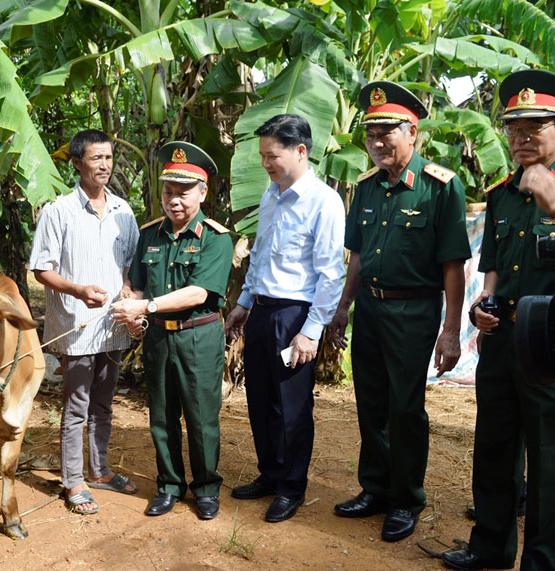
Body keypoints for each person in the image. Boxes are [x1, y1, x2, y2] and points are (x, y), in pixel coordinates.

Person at [442, 69, 555, 571]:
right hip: (502, 342)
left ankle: (542, 562)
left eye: (535, 127)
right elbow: (494, 267)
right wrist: (483, 305)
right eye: (513, 127)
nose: (521, 137)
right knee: (494, 450)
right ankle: (490, 549)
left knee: (552, 463)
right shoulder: (502, 194)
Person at [329, 81, 471, 542]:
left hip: (414, 312)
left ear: (413, 132)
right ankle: (375, 489)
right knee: (370, 401)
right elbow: (358, 257)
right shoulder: (366, 187)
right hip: (369, 307)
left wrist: (451, 330)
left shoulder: (439, 188)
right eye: (371, 134)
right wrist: (343, 309)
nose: (377, 142)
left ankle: (407, 499)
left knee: (406, 408)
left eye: (387, 132)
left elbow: (453, 263)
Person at [224, 114, 346, 523]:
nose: (265, 164)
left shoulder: (324, 201)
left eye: (272, 155)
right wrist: (244, 302)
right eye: (261, 156)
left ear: (300, 151)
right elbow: (259, 255)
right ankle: (270, 474)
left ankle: (292, 488)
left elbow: (331, 273)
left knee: (293, 408)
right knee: (260, 400)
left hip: (296, 317)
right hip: (263, 311)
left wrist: (312, 332)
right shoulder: (271, 196)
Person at [111, 142, 233, 520]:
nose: (174, 200)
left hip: (198, 335)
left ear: (202, 192)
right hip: (159, 337)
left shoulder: (215, 238)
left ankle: (207, 487)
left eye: (184, 192)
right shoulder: (150, 235)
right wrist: (129, 302)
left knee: (200, 416)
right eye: (168, 192)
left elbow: (199, 291)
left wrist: (144, 306)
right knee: (161, 416)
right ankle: (168, 485)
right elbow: (137, 282)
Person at [29, 129, 139, 515]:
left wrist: (127, 288)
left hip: (113, 326)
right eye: (96, 158)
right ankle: (73, 480)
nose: (104, 165)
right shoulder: (59, 211)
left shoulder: (124, 212)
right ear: (77, 163)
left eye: (108, 158)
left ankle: (101, 470)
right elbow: (42, 269)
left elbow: (129, 264)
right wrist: (77, 291)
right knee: (76, 405)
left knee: (104, 404)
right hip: (76, 326)